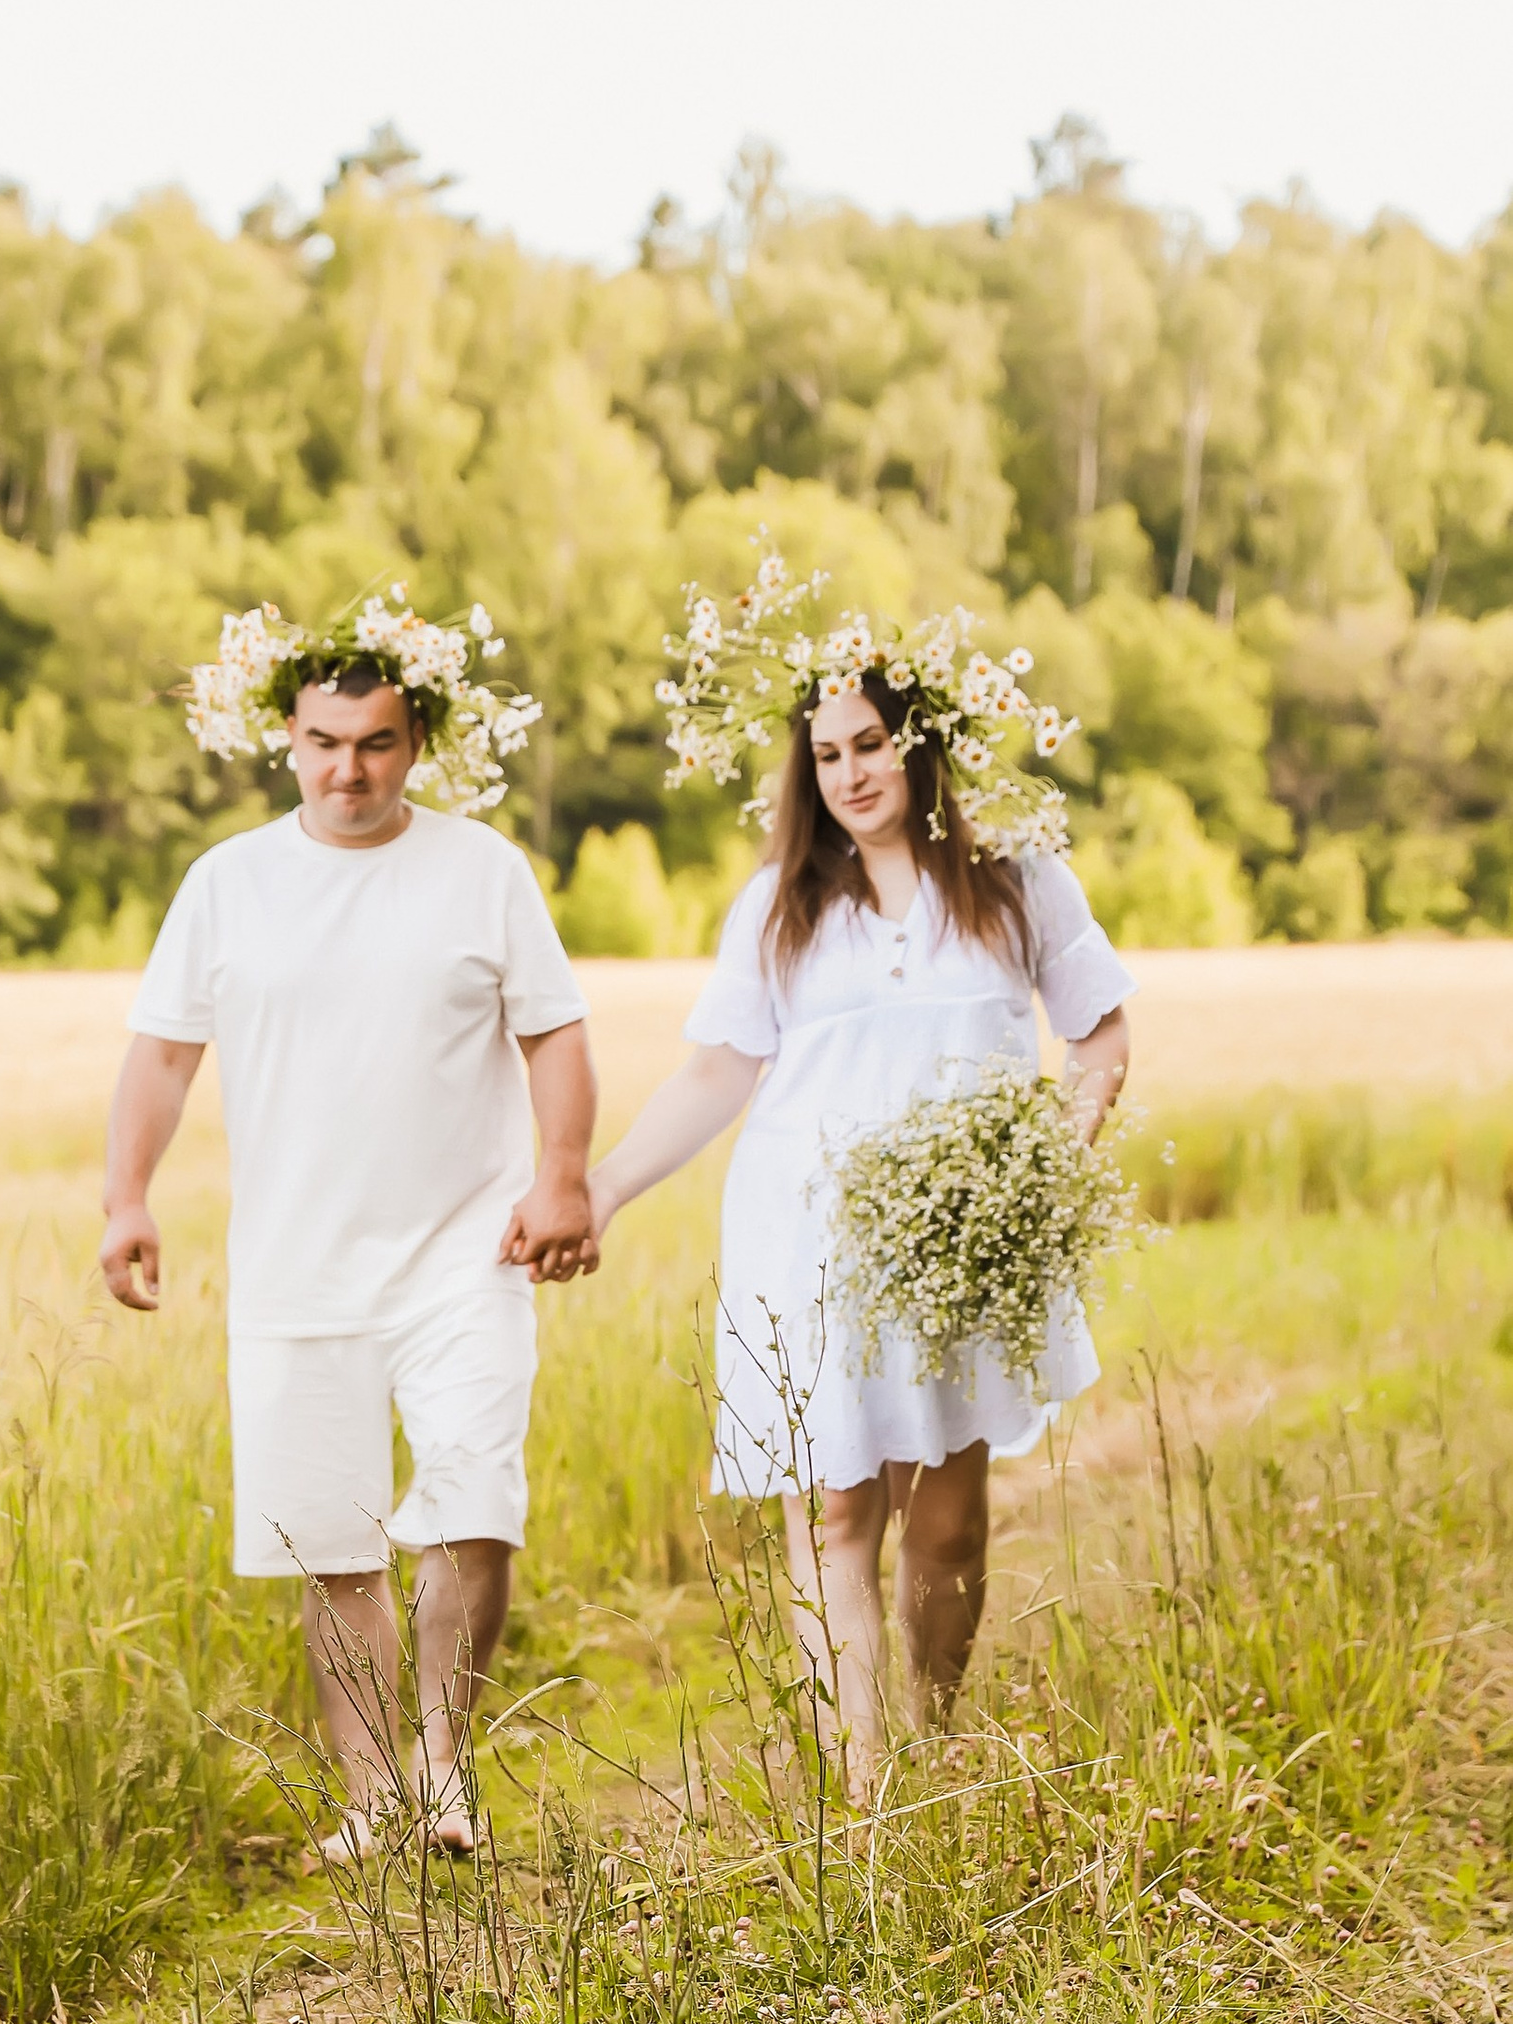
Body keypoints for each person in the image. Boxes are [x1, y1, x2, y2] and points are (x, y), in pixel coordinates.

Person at [589, 612, 1132, 1789]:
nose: (850, 774)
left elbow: (1098, 1037)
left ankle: (934, 1740)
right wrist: (605, 1187)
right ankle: (863, 1787)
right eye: (828, 755)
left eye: (871, 744)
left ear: (920, 744)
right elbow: (715, 1072)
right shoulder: (782, 908)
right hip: (806, 1242)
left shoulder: (1016, 880)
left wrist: (1041, 1174)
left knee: (947, 1521)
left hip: (955, 1249)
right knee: (834, 1511)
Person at [101, 595, 596, 1858]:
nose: (348, 769)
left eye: (375, 742)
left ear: (415, 740)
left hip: (463, 1256)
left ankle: (443, 1767)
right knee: (333, 1547)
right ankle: (375, 1802)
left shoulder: (482, 870)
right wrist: (127, 1200)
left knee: (474, 1502)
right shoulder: (228, 884)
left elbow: (554, 1033)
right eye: (324, 740)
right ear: (285, 735)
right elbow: (160, 1057)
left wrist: (564, 1173)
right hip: (295, 1270)